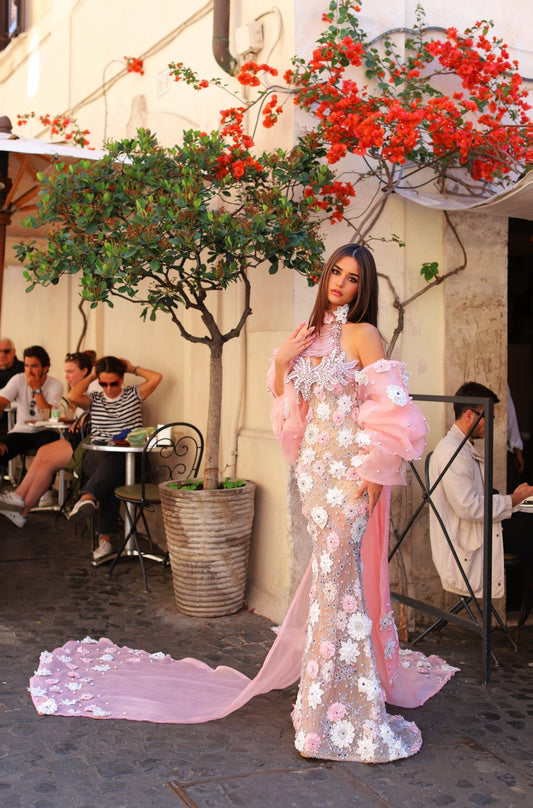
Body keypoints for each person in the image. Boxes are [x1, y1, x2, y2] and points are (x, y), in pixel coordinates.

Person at [27, 247, 457, 759]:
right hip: (314, 477)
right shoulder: (308, 333)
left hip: (348, 477)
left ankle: (344, 710)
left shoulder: (363, 335)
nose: (340, 283)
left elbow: (391, 410)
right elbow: (282, 393)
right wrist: (281, 358)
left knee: (339, 582)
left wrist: (374, 474)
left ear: (365, 290)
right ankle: (324, 702)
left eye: (354, 278)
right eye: (336, 272)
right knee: (329, 583)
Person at [428, 381, 533, 600]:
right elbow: (471, 507)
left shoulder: (462, 448)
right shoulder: (452, 452)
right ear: (469, 415)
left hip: (480, 529)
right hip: (469, 542)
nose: (491, 424)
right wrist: (514, 498)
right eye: (488, 418)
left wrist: (517, 500)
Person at [67, 356, 162, 560]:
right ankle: (104, 536)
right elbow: (73, 396)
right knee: (110, 470)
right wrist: (93, 373)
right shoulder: (95, 399)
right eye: (103, 383)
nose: (108, 388)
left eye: (113, 383)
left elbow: (156, 378)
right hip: (98, 456)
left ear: (122, 379)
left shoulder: (133, 395)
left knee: (112, 474)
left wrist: (131, 367)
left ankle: (91, 505)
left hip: (128, 459)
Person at [0, 352, 94, 528]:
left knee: (47, 460)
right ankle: (19, 499)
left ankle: (22, 507)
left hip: (85, 443)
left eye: (70, 371)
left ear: (85, 371)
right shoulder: (18, 379)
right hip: (69, 437)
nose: (66, 376)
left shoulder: (92, 387)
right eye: (66, 371)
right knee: (43, 452)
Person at [0, 345, 63, 464]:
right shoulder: (18, 379)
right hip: (20, 431)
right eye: (26, 365)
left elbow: (48, 414)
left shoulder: (55, 385)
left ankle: (42, 482)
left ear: (45, 368)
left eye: (34, 366)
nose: (28, 371)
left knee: (50, 455)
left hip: (46, 431)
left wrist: (36, 388)